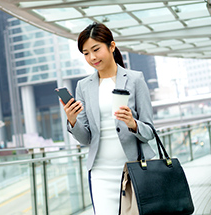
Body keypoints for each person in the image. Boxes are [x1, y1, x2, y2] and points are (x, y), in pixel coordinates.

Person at [59, 22, 156, 215]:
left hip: (134, 171)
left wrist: (133, 124)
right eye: (86, 53)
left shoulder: (135, 79)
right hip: (100, 173)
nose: (92, 57)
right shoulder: (83, 86)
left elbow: (150, 132)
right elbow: (86, 138)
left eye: (96, 49)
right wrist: (72, 121)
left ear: (111, 46)